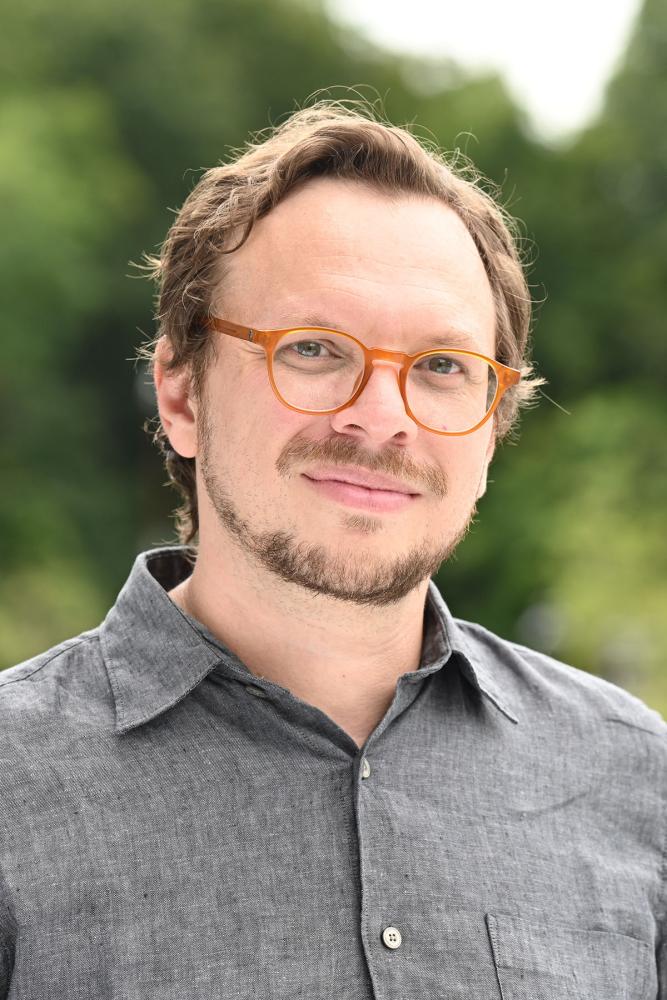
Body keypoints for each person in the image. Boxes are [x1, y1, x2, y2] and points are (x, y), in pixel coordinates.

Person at [0, 102, 664, 999]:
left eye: (440, 367)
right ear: (181, 396)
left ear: (493, 427)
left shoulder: (633, 780)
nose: (382, 417)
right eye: (312, 349)